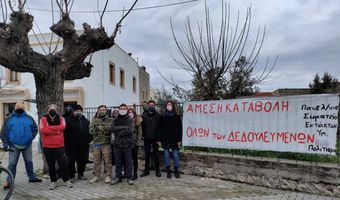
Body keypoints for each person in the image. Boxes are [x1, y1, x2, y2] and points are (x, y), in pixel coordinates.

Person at [0, 102, 42, 189]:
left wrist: (31, 137)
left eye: (21, 108)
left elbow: (35, 128)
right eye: (18, 107)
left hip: (27, 144)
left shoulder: (29, 118)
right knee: (12, 163)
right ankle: (9, 180)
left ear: (24, 108)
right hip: (13, 145)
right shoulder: (9, 119)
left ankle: (32, 177)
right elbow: (3, 132)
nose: (20, 109)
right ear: (15, 108)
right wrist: (5, 144)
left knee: (29, 162)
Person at [39, 104, 73, 190]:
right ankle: (53, 181)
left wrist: (50, 129)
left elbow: (63, 127)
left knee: (63, 164)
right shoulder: (43, 119)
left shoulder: (61, 119)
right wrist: (57, 131)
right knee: (51, 165)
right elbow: (43, 130)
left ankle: (66, 180)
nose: (52, 110)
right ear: (48, 110)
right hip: (47, 146)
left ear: (56, 110)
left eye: (54, 109)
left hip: (59, 146)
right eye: (51, 109)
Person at [64, 104, 91, 181]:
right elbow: (65, 133)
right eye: (77, 111)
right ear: (73, 111)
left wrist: (88, 140)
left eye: (80, 111)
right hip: (71, 145)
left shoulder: (86, 121)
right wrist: (68, 142)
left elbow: (90, 132)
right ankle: (71, 175)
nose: (78, 112)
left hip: (84, 145)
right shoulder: (68, 120)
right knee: (71, 161)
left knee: (82, 160)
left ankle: (81, 174)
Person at [110, 104, 135, 185]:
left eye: (124, 108)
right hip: (117, 145)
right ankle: (118, 177)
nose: (122, 109)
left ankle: (129, 177)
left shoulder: (130, 119)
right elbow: (112, 128)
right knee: (118, 162)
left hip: (127, 144)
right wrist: (123, 127)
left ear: (127, 110)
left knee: (128, 162)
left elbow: (130, 130)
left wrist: (119, 132)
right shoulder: (115, 119)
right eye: (121, 108)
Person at [89, 105, 113, 184]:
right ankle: (96, 176)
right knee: (96, 161)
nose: (102, 111)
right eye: (100, 110)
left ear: (106, 111)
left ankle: (108, 175)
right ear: (98, 111)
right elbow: (91, 131)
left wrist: (99, 127)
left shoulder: (110, 120)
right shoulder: (94, 119)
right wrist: (101, 128)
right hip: (96, 143)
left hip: (106, 143)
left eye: (103, 110)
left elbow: (109, 129)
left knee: (107, 161)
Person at [159, 101, 182, 178]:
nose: (169, 106)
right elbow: (160, 128)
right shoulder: (163, 116)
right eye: (168, 104)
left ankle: (176, 170)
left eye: (170, 104)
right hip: (165, 139)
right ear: (166, 106)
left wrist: (179, 140)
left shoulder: (177, 116)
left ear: (173, 106)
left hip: (174, 139)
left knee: (175, 155)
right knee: (166, 155)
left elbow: (180, 129)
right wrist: (160, 139)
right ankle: (168, 171)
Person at [140, 100, 162, 177]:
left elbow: (160, 128)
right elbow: (142, 127)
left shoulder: (158, 115)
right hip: (146, 138)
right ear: (148, 106)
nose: (151, 106)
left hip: (155, 139)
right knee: (147, 155)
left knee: (156, 155)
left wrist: (159, 139)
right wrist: (142, 136)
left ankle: (157, 171)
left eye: (152, 105)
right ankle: (146, 171)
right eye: (150, 105)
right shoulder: (144, 115)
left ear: (154, 105)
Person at [128, 108, 142, 180]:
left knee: (134, 159)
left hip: (134, 144)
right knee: (127, 160)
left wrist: (137, 144)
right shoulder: (126, 121)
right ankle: (128, 173)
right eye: (129, 112)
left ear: (134, 113)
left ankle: (135, 173)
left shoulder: (137, 121)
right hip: (127, 144)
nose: (130, 113)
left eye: (131, 112)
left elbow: (139, 133)